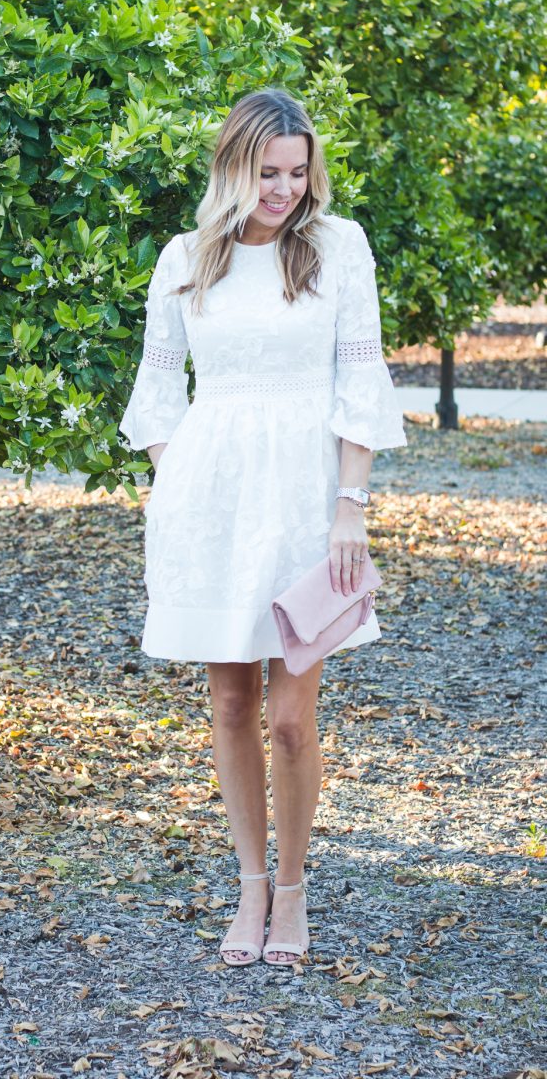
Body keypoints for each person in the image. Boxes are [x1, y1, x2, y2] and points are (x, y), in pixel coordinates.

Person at [118, 88, 408, 967]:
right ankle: (249, 888)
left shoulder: (336, 248)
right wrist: (182, 486)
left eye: (297, 171)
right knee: (232, 701)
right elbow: (158, 392)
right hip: (211, 504)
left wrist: (350, 509)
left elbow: (361, 382)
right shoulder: (184, 258)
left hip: (306, 501)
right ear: (233, 168)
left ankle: (294, 894)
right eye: (267, 172)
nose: (285, 189)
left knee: (290, 716)